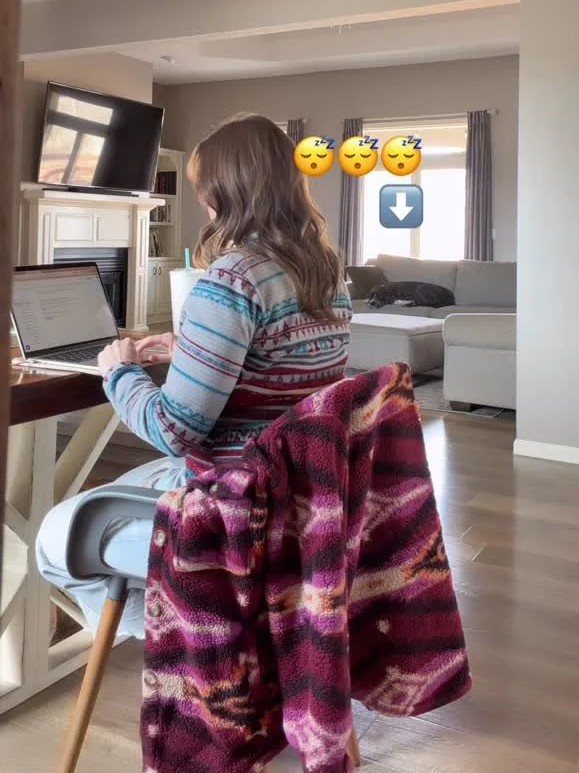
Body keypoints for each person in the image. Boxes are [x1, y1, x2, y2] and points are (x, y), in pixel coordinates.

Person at [37, 113, 352, 638]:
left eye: (205, 187)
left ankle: (196, 646)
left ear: (225, 192)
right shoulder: (325, 272)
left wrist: (119, 372)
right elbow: (281, 369)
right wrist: (193, 349)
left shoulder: (233, 279)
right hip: (296, 501)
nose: (203, 199)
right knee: (112, 494)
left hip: (228, 516)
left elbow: (173, 432)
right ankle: (209, 635)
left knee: (55, 537)